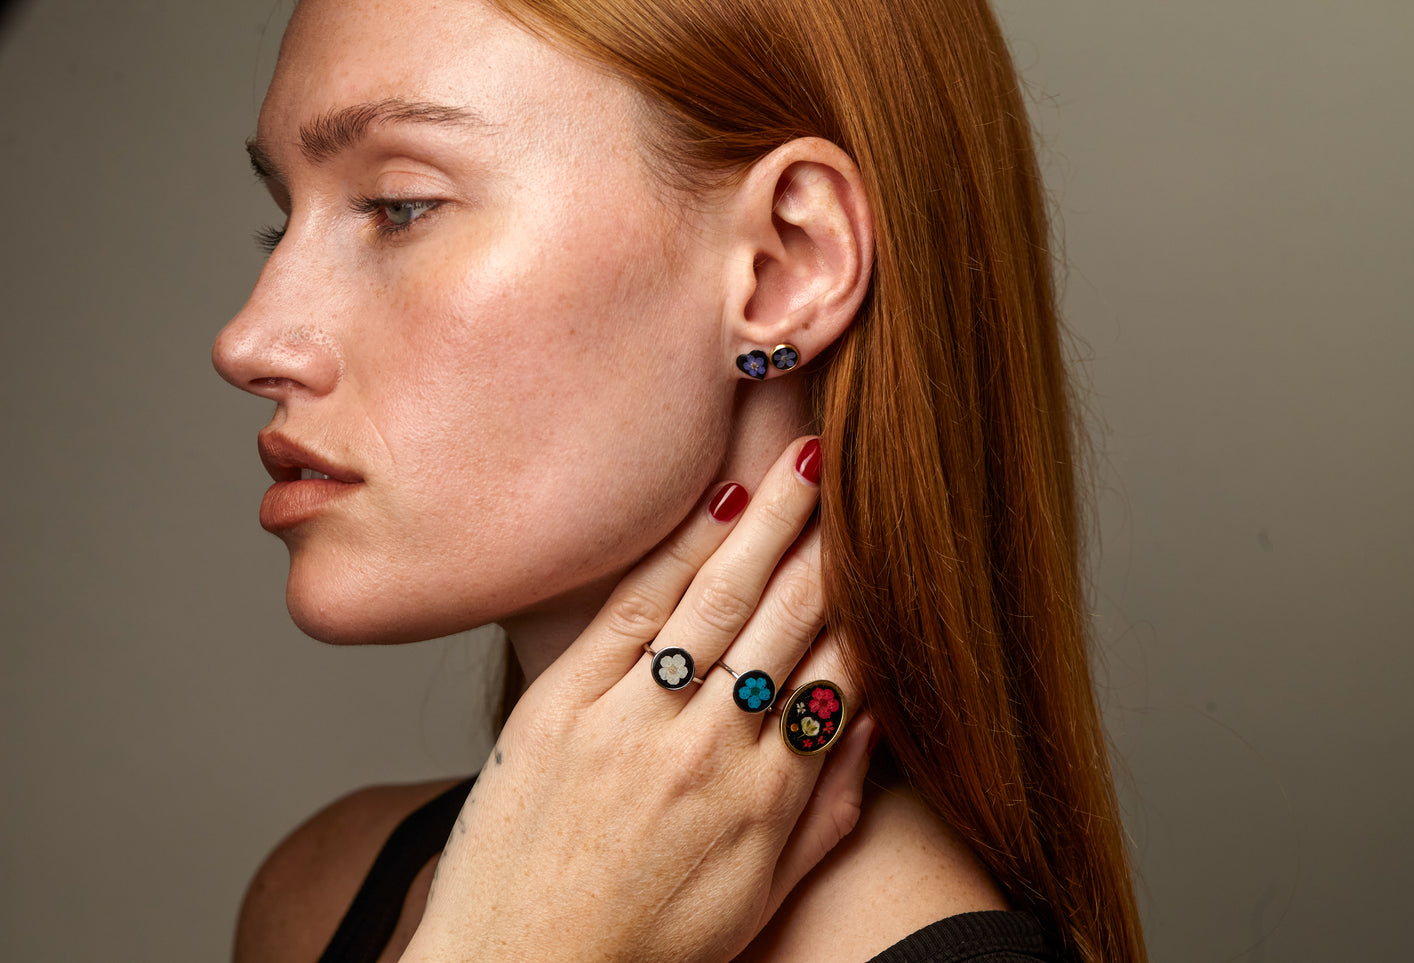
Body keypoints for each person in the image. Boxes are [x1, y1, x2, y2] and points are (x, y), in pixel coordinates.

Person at [212, 0, 1147, 960]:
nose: (247, 342)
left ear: (786, 267)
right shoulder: (318, 894)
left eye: (398, 207)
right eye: (280, 221)